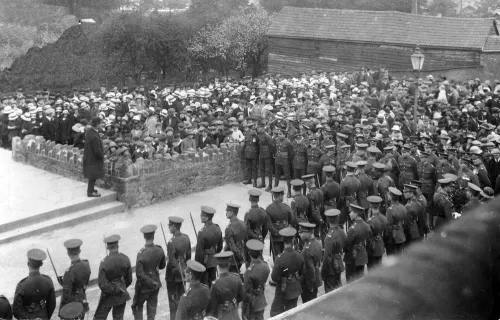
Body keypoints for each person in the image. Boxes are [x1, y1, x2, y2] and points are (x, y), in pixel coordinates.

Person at [94, 235, 133, 320]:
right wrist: (120, 288)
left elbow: (102, 284)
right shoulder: (125, 259)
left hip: (107, 296)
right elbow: (129, 280)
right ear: (117, 245)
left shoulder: (104, 263)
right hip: (121, 294)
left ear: (107, 247)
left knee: (99, 317)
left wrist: (114, 289)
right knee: (118, 317)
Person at [132, 225, 166, 320]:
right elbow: (162, 266)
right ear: (153, 235)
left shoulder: (141, 253)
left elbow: (139, 274)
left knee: (137, 307)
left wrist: (150, 282)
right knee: (151, 311)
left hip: (143, 287)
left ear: (144, 237)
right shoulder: (159, 250)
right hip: (156, 284)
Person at [269, 227, 304, 317]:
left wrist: (273, 267)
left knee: (275, 313)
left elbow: (274, 278)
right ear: (293, 240)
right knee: (292, 313)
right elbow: (301, 272)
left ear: (283, 240)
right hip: (295, 288)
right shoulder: (299, 255)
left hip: (282, 290)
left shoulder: (279, 258)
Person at [12, 249, 56, 320]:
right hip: (44, 315)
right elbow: (52, 304)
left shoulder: (21, 285)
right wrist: (46, 317)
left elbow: (16, 310)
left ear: (28, 264)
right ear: (41, 264)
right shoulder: (48, 281)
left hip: (28, 316)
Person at [165, 216, 191, 320]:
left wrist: (179, 272)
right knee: (181, 297)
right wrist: (185, 270)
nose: (169, 228)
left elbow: (172, 261)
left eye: (170, 226)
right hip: (183, 270)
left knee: (173, 302)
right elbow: (188, 256)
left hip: (173, 276)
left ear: (174, 227)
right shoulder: (186, 237)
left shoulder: (172, 242)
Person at [206, 252, 245, 320]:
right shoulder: (236, 278)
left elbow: (211, 307)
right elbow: (241, 298)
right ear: (229, 264)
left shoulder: (215, 284)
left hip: (221, 315)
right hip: (234, 314)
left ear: (217, 266)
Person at [58, 239, 91, 319]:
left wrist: (65, 284)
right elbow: (81, 282)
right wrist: (65, 283)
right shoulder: (86, 264)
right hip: (82, 296)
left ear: (68, 253)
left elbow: (67, 297)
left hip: (73, 304)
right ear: (79, 251)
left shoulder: (69, 272)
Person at [195, 206, 223, 288]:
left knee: (204, 283)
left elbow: (199, 253)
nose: (200, 216)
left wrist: (197, 266)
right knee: (213, 281)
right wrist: (214, 254)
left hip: (204, 262)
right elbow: (220, 246)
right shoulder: (217, 228)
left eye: (201, 215)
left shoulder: (202, 232)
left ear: (206, 218)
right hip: (213, 260)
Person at [242, 240, 270, 320]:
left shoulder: (249, 272)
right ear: (260, 253)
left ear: (249, 254)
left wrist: (244, 311)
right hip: (261, 300)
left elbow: (247, 295)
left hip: (252, 304)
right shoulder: (266, 266)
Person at [266, 186, 295, 262]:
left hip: (275, 238)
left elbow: (269, 225)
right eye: (283, 195)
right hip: (286, 237)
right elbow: (292, 221)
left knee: (277, 259)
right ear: (280, 196)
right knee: (286, 258)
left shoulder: (269, 208)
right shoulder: (287, 207)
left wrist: (277, 233)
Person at [321, 209, 346, 293]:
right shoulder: (342, 232)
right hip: (339, 263)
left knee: (330, 293)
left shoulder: (329, 237)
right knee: (339, 288)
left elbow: (326, 257)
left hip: (330, 268)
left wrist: (323, 272)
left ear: (327, 220)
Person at [344, 204, 371, 282]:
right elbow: (369, 238)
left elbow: (347, 245)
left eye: (351, 212)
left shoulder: (352, 229)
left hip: (352, 257)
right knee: (360, 278)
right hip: (362, 254)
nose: (349, 214)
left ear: (356, 214)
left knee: (350, 281)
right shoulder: (366, 226)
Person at [298, 222, 323, 303]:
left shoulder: (307, 250)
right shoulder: (317, 243)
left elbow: (309, 269)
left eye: (302, 232)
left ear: (308, 233)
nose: (299, 234)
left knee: (307, 304)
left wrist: (310, 287)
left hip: (308, 282)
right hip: (316, 278)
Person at [83, 117, 105, 198]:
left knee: (92, 175)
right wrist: (102, 156)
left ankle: (91, 189)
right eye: (101, 123)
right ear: (97, 125)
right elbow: (97, 150)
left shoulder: (90, 131)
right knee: (93, 176)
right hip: (94, 158)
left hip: (89, 157)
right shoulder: (94, 136)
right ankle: (90, 192)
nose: (102, 125)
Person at [223, 202, 246, 275]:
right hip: (241, 255)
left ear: (231, 213)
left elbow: (232, 247)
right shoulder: (243, 224)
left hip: (232, 259)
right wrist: (242, 257)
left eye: (227, 211)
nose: (226, 213)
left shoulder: (228, 229)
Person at [366, 196, 387, 270]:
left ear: (370, 205)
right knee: (379, 267)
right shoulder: (384, 218)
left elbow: (368, 236)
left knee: (371, 268)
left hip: (372, 247)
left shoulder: (370, 220)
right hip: (380, 244)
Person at [385, 187, 407, 255]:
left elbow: (388, 225)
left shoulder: (390, 210)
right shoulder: (403, 207)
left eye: (388, 194)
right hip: (401, 234)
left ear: (390, 197)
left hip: (393, 237)